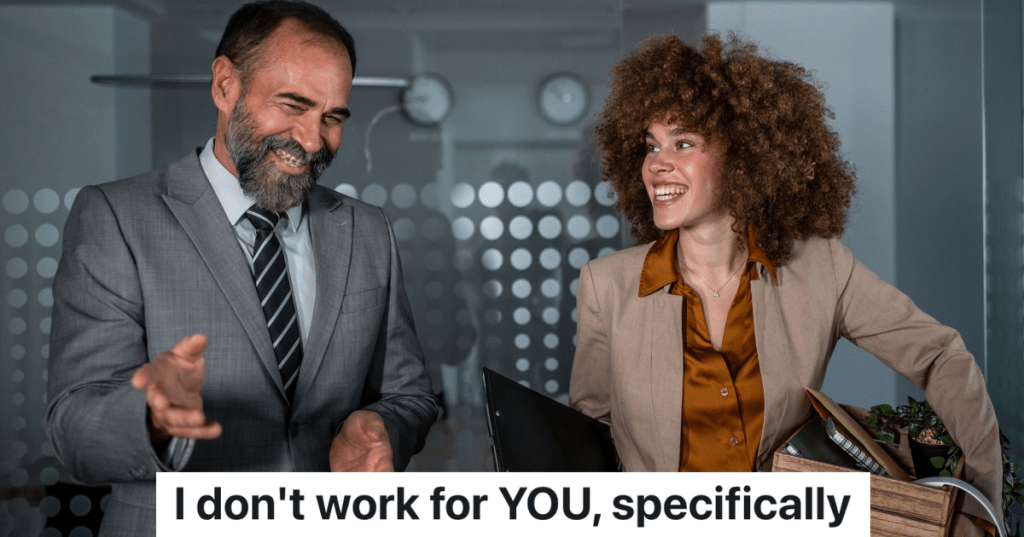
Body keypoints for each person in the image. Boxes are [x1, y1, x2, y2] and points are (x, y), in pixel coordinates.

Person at [568, 33, 1002, 532]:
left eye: (682, 143)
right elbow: (591, 437)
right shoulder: (606, 285)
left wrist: (980, 502)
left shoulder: (822, 268)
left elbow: (939, 355)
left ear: (743, 156)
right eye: (650, 147)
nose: (656, 165)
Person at [45, 1, 438, 534]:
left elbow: (409, 393)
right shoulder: (116, 217)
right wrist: (151, 419)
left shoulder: (365, 229)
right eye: (293, 105)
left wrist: (379, 426)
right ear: (225, 86)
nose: (311, 139)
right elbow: (74, 427)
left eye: (333, 118)